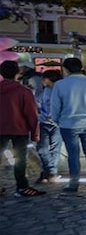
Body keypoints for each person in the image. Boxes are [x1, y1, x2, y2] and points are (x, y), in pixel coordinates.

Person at [50, 57, 86, 192]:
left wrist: (57, 120)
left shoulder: (60, 85)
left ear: (66, 69)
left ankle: (74, 183)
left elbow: (55, 107)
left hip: (68, 124)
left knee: (73, 154)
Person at [0, 60, 45, 197]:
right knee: (20, 159)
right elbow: (31, 114)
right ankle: (21, 187)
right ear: (17, 73)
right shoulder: (24, 92)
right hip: (19, 129)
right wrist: (35, 134)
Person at [36, 69, 64, 184]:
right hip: (49, 122)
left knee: (47, 149)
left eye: (44, 79)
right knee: (47, 149)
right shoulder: (48, 91)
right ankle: (51, 172)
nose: (42, 81)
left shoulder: (54, 91)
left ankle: (48, 172)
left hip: (51, 123)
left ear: (49, 79)